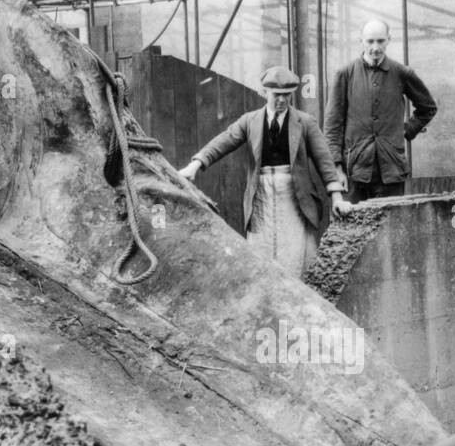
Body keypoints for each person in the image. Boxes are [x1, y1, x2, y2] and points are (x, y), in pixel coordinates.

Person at [178, 66, 348, 275]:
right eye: (277, 95)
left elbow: (325, 162)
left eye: (287, 95)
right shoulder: (250, 121)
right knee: (263, 253)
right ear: (265, 92)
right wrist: (196, 165)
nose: (282, 101)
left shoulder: (305, 122)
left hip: (295, 196)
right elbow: (224, 141)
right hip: (262, 196)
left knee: (295, 252)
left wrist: (337, 197)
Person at [324, 19, 437, 203]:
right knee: (355, 228)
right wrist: (337, 170)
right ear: (361, 40)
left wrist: (407, 129)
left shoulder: (402, 72)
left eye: (380, 41)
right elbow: (332, 126)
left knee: (391, 227)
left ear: (389, 40)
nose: (375, 47)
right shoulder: (345, 74)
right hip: (355, 172)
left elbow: (428, 107)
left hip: (392, 170)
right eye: (370, 41)